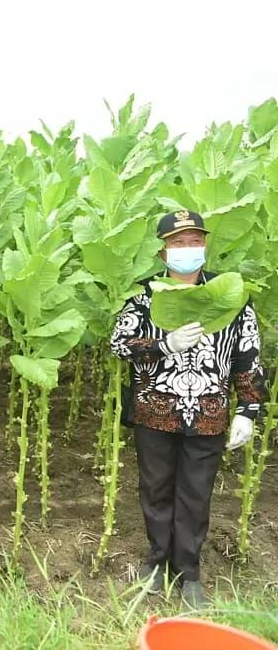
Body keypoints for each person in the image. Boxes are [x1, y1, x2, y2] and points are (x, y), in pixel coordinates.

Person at [110, 210, 266, 609]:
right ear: (163, 253)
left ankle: (189, 572)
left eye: (194, 241)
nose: (187, 249)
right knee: (156, 489)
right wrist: (164, 344)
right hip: (155, 411)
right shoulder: (144, 297)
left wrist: (248, 409)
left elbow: (248, 355)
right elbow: (119, 343)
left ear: (204, 246)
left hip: (209, 412)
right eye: (177, 243)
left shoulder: (230, 297)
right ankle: (157, 563)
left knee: (196, 493)